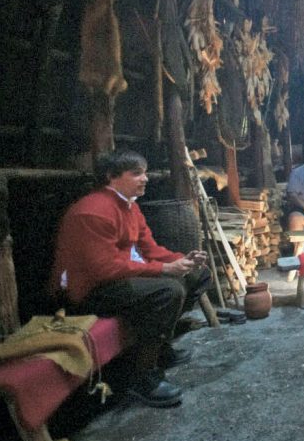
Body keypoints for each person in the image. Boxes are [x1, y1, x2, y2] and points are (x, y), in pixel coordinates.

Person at [51, 150, 210, 408]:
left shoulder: (130, 206)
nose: (145, 178)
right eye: (136, 173)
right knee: (168, 290)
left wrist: (183, 260)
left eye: (145, 172)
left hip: (117, 278)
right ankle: (142, 377)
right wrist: (165, 270)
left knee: (197, 275)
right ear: (111, 177)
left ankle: (159, 349)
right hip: (90, 291)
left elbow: (150, 250)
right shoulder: (93, 211)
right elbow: (104, 269)